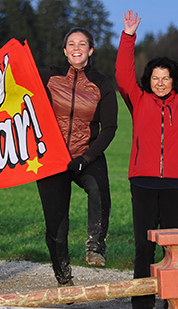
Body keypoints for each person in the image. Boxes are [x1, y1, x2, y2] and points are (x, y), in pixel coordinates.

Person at [116, 7, 178, 309]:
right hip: (142, 181)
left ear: (173, 80)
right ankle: (142, 305)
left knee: (174, 247)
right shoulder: (138, 100)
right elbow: (122, 76)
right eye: (155, 78)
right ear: (149, 80)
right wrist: (128, 37)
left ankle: (175, 303)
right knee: (143, 246)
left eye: (165, 78)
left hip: (177, 182)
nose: (159, 83)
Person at [37, 27, 118, 285]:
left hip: (86, 155)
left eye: (82, 44)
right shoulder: (50, 77)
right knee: (56, 227)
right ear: (65, 50)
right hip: (53, 158)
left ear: (90, 50)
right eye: (71, 43)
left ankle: (95, 247)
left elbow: (110, 128)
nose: (76, 47)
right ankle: (63, 277)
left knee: (98, 190)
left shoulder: (102, 83)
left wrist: (86, 158)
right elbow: (19, 79)